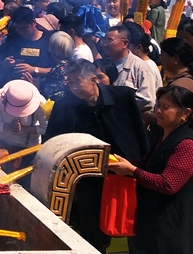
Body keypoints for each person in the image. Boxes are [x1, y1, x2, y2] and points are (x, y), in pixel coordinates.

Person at [44, 59, 149, 253]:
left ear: (93, 79)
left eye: (77, 82)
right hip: (87, 173)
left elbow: (138, 131)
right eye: (70, 82)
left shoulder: (123, 96)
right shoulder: (65, 105)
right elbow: (53, 138)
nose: (74, 87)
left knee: (126, 217)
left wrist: (143, 162)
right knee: (91, 220)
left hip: (121, 169)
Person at [108, 85, 193, 253]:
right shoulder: (162, 133)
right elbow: (151, 164)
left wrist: (132, 170)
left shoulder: (188, 145)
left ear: (185, 113)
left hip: (171, 222)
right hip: (150, 216)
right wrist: (124, 164)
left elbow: (168, 184)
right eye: (158, 105)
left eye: (166, 107)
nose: (159, 110)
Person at [102, 25, 160, 122]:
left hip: (129, 122)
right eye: (104, 40)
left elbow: (147, 100)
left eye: (109, 40)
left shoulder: (141, 68)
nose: (105, 44)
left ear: (125, 43)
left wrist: (116, 104)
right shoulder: (103, 65)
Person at [0, 80, 47, 168]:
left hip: (29, 149)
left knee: (23, 180)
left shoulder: (40, 103)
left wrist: (24, 129)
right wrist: (7, 127)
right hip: (3, 144)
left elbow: (45, 128)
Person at [42, 31, 74, 102]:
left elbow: (49, 94)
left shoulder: (58, 69)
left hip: (59, 106)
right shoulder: (74, 64)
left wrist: (37, 86)